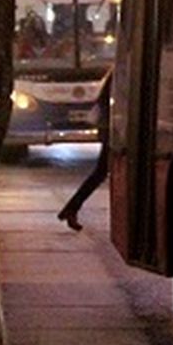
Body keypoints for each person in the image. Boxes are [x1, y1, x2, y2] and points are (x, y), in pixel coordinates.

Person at [57, 72, 111, 231]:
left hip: (114, 131)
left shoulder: (115, 74)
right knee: (100, 173)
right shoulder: (121, 74)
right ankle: (71, 208)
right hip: (118, 133)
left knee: (99, 173)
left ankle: (71, 209)